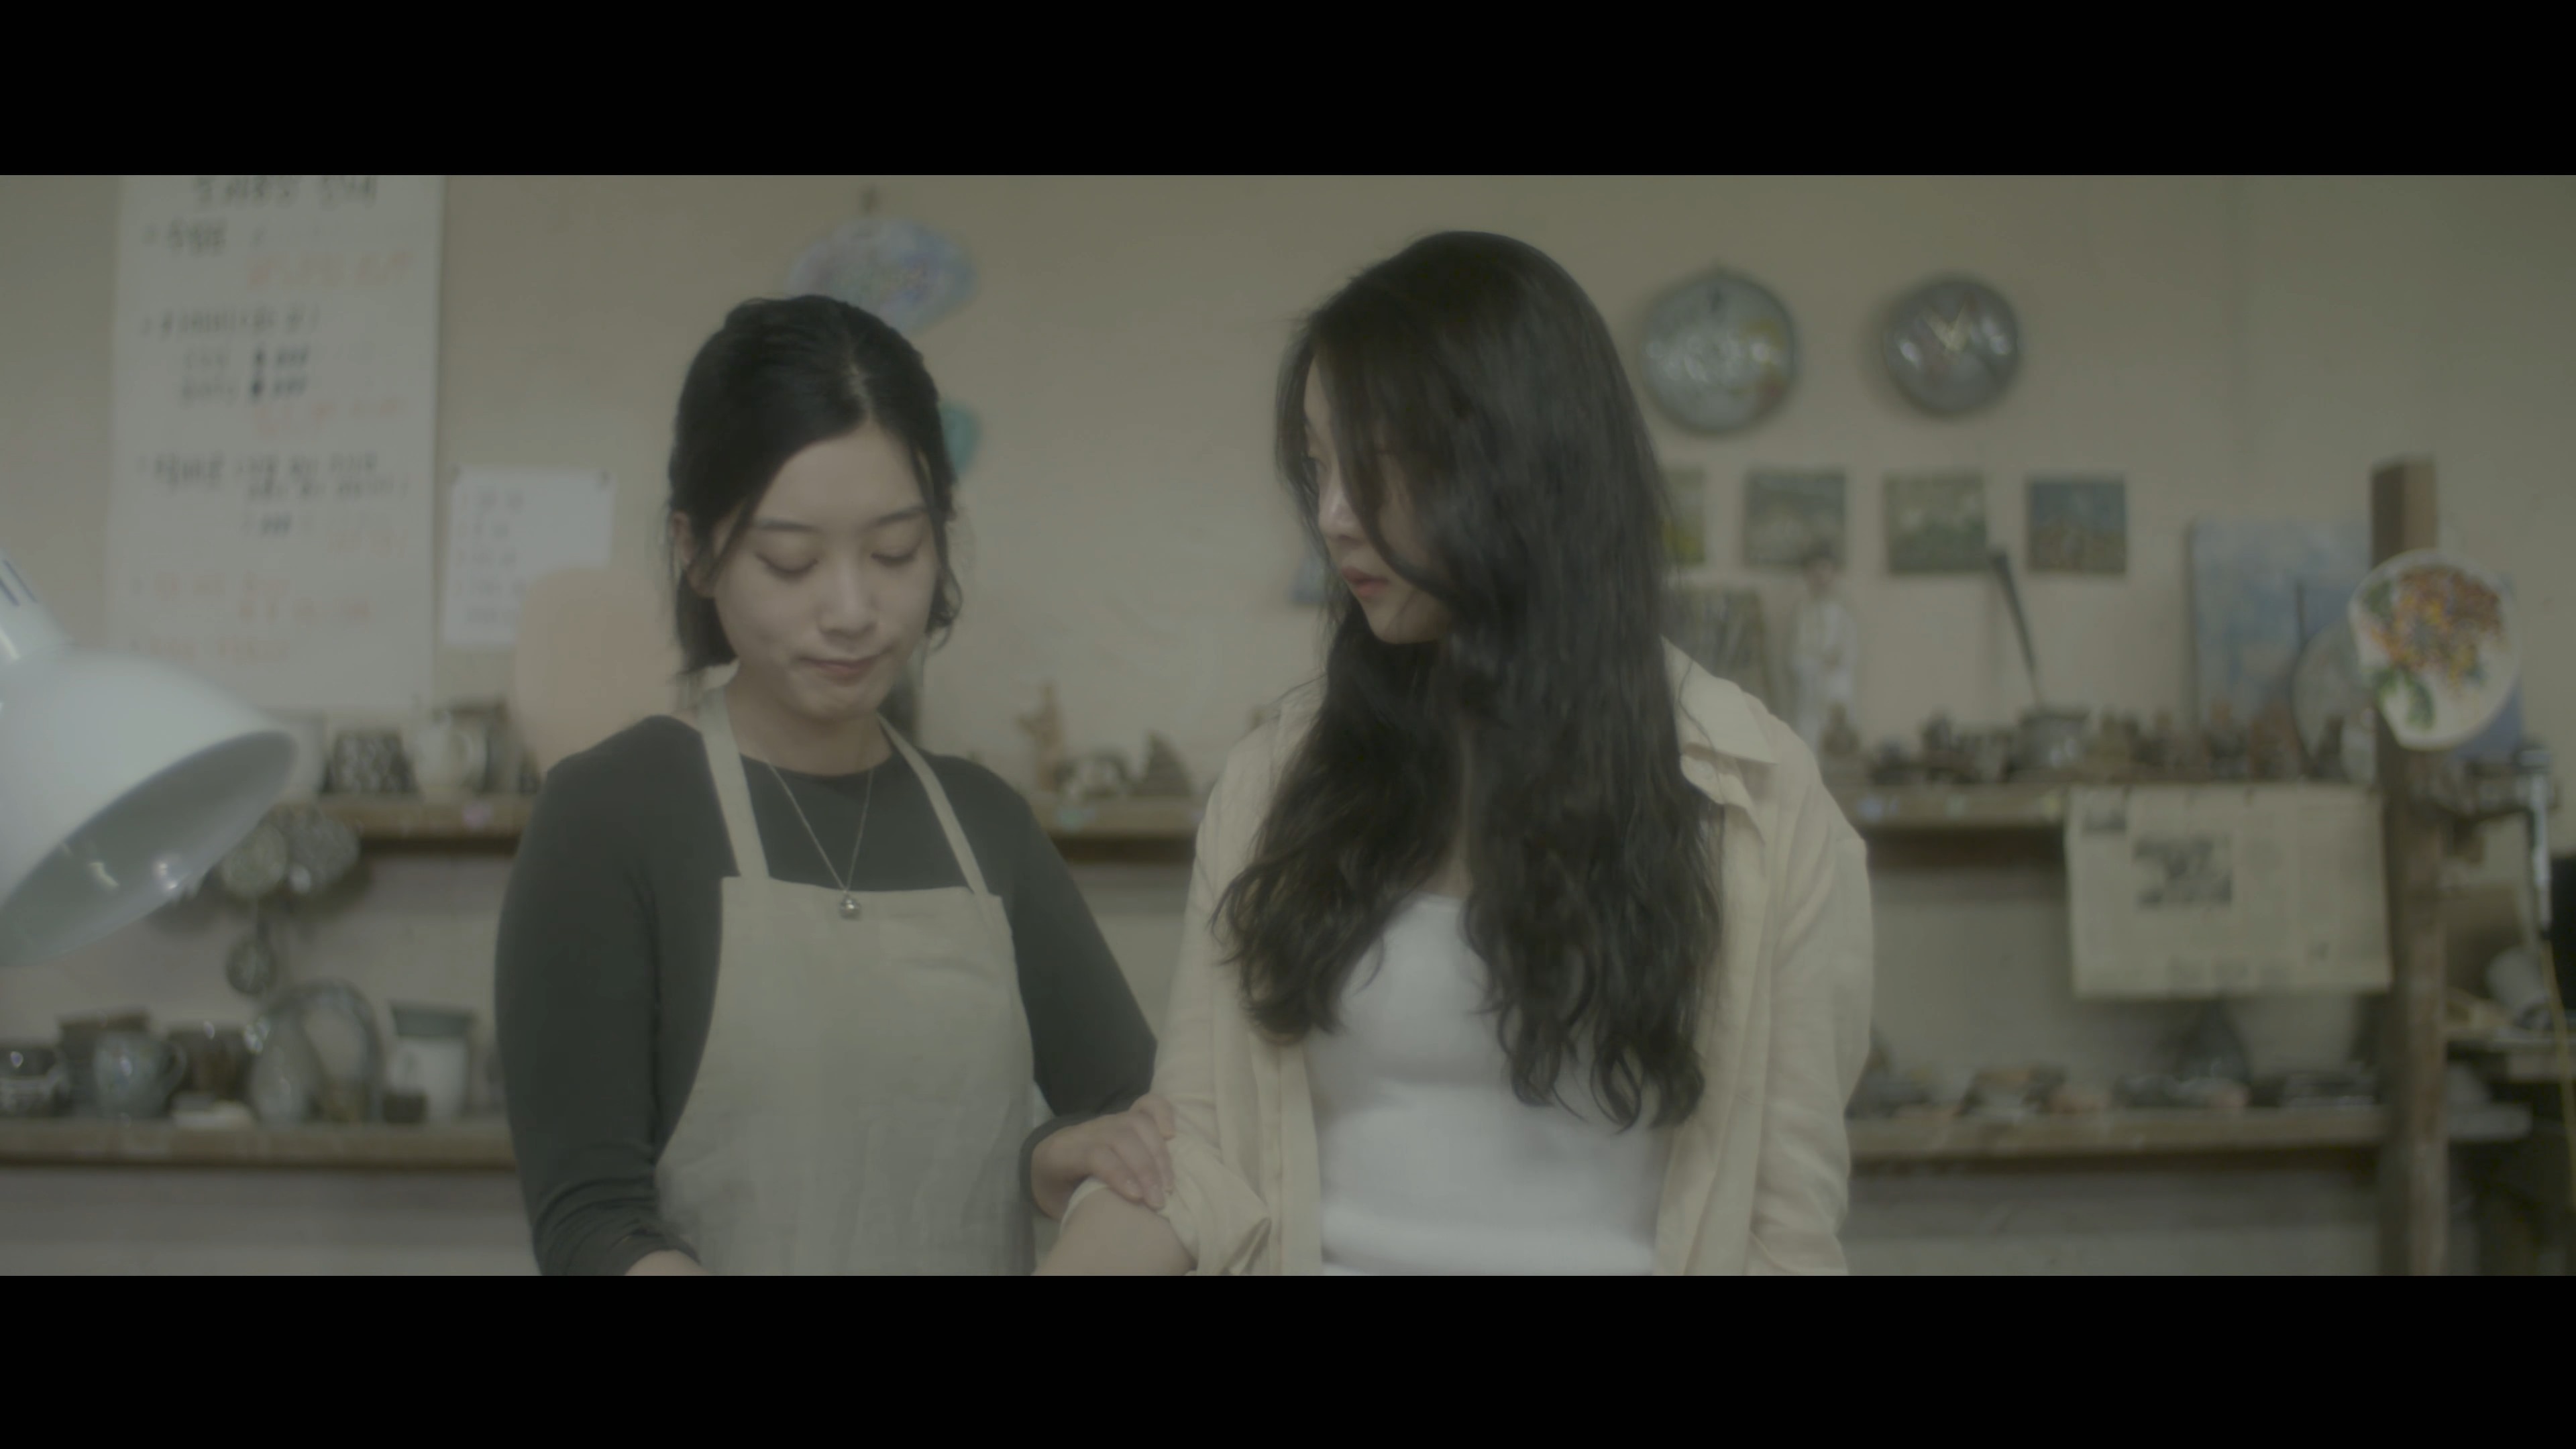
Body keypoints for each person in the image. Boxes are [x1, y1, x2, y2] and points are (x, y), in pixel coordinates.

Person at [1037, 233, 1875, 1275]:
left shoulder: (1755, 800)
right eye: (1318, 466)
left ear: (1523, 466)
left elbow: (1787, 1231)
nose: (1334, 517)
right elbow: (1193, 1159)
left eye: (1379, 464)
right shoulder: (1278, 781)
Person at [496, 297, 1174, 1275]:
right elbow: (590, 1218)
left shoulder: (986, 826)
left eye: (895, 553)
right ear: (694, 550)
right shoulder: (608, 817)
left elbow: (1139, 1129)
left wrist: (1052, 1159)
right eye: (792, 561)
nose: (852, 609)